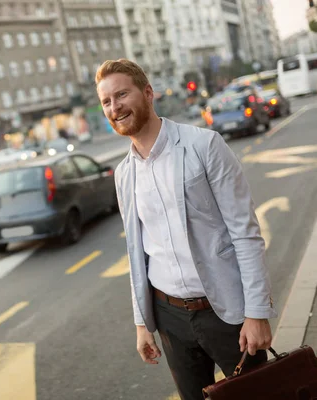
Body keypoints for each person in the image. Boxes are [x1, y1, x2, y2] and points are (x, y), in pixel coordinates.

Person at [95, 59, 276, 399]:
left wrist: (257, 312)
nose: (115, 107)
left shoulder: (204, 145)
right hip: (170, 318)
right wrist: (142, 324)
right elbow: (138, 253)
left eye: (121, 94)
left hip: (226, 312)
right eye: (106, 101)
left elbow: (245, 233)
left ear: (148, 93)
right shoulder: (124, 174)